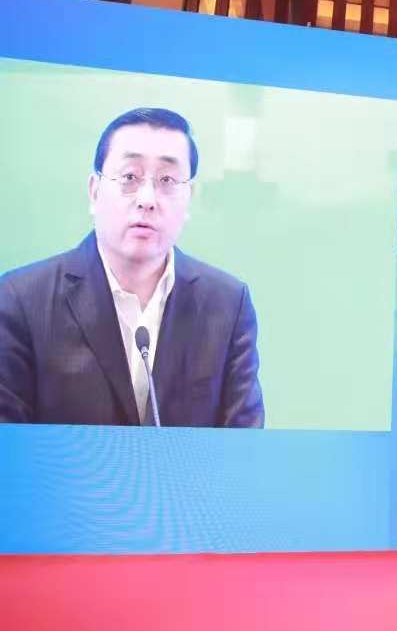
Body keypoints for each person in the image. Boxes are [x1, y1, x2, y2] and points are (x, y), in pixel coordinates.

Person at [0, 107, 264, 428]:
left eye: (167, 180)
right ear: (94, 191)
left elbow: (243, 443)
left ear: (190, 197)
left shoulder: (228, 304)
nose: (147, 198)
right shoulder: (20, 300)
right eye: (129, 177)